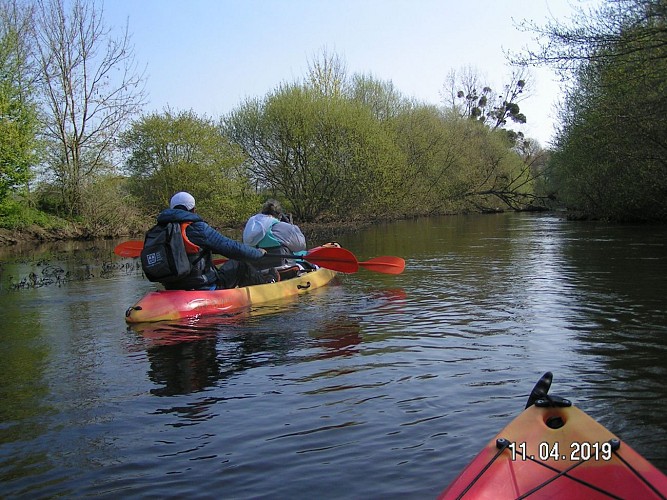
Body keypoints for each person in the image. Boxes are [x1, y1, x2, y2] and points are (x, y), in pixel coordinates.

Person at [154, 191, 269, 290]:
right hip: (203, 286)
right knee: (239, 263)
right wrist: (258, 253)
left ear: (171, 208)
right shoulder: (197, 228)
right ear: (193, 210)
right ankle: (268, 287)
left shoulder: (160, 230)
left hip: (172, 287)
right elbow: (231, 247)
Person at [243, 199, 307, 269]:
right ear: (279, 215)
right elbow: (300, 247)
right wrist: (290, 225)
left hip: (255, 270)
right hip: (282, 269)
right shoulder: (282, 227)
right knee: (308, 265)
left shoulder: (251, 226)